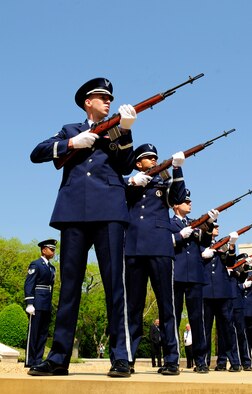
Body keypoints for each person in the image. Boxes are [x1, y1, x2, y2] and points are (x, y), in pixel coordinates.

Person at [28, 77, 137, 378]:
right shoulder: (69, 129)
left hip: (109, 212)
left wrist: (126, 129)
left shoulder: (117, 129)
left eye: (109, 98)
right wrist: (72, 143)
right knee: (69, 288)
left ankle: (120, 356)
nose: (108, 102)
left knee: (115, 284)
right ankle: (59, 357)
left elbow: (127, 165)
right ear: (88, 102)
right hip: (74, 212)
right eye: (102, 97)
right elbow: (37, 152)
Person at [125, 143, 186, 376]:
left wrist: (178, 170)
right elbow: (119, 197)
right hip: (134, 248)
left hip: (160, 248)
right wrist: (132, 182)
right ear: (139, 163)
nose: (153, 160)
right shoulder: (131, 182)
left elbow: (178, 198)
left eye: (155, 158)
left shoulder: (164, 182)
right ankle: (127, 358)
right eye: (148, 158)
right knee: (133, 307)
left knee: (167, 306)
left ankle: (172, 360)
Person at [170, 189, 218, 373]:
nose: (189, 204)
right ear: (175, 205)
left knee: (198, 320)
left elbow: (205, 241)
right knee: (172, 318)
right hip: (176, 275)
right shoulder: (169, 222)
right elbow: (165, 242)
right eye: (185, 201)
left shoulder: (195, 224)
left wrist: (210, 223)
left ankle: (201, 361)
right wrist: (180, 235)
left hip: (196, 276)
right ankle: (172, 360)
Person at [202, 223, 242, 372]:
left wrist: (231, 246)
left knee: (227, 328)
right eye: (214, 226)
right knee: (205, 328)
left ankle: (234, 362)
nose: (218, 228)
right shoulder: (201, 243)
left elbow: (231, 263)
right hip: (205, 289)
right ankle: (203, 362)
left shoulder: (223, 245)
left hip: (222, 290)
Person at [24, 239, 57, 368]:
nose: (53, 251)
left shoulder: (52, 268)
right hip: (37, 302)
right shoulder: (35, 264)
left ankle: (38, 360)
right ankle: (30, 360)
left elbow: (51, 287)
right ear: (43, 250)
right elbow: (29, 284)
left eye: (54, 249)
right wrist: (29, 303)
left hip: (46, 303)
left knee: (43, 333)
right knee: (34, 332)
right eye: (51, 249)